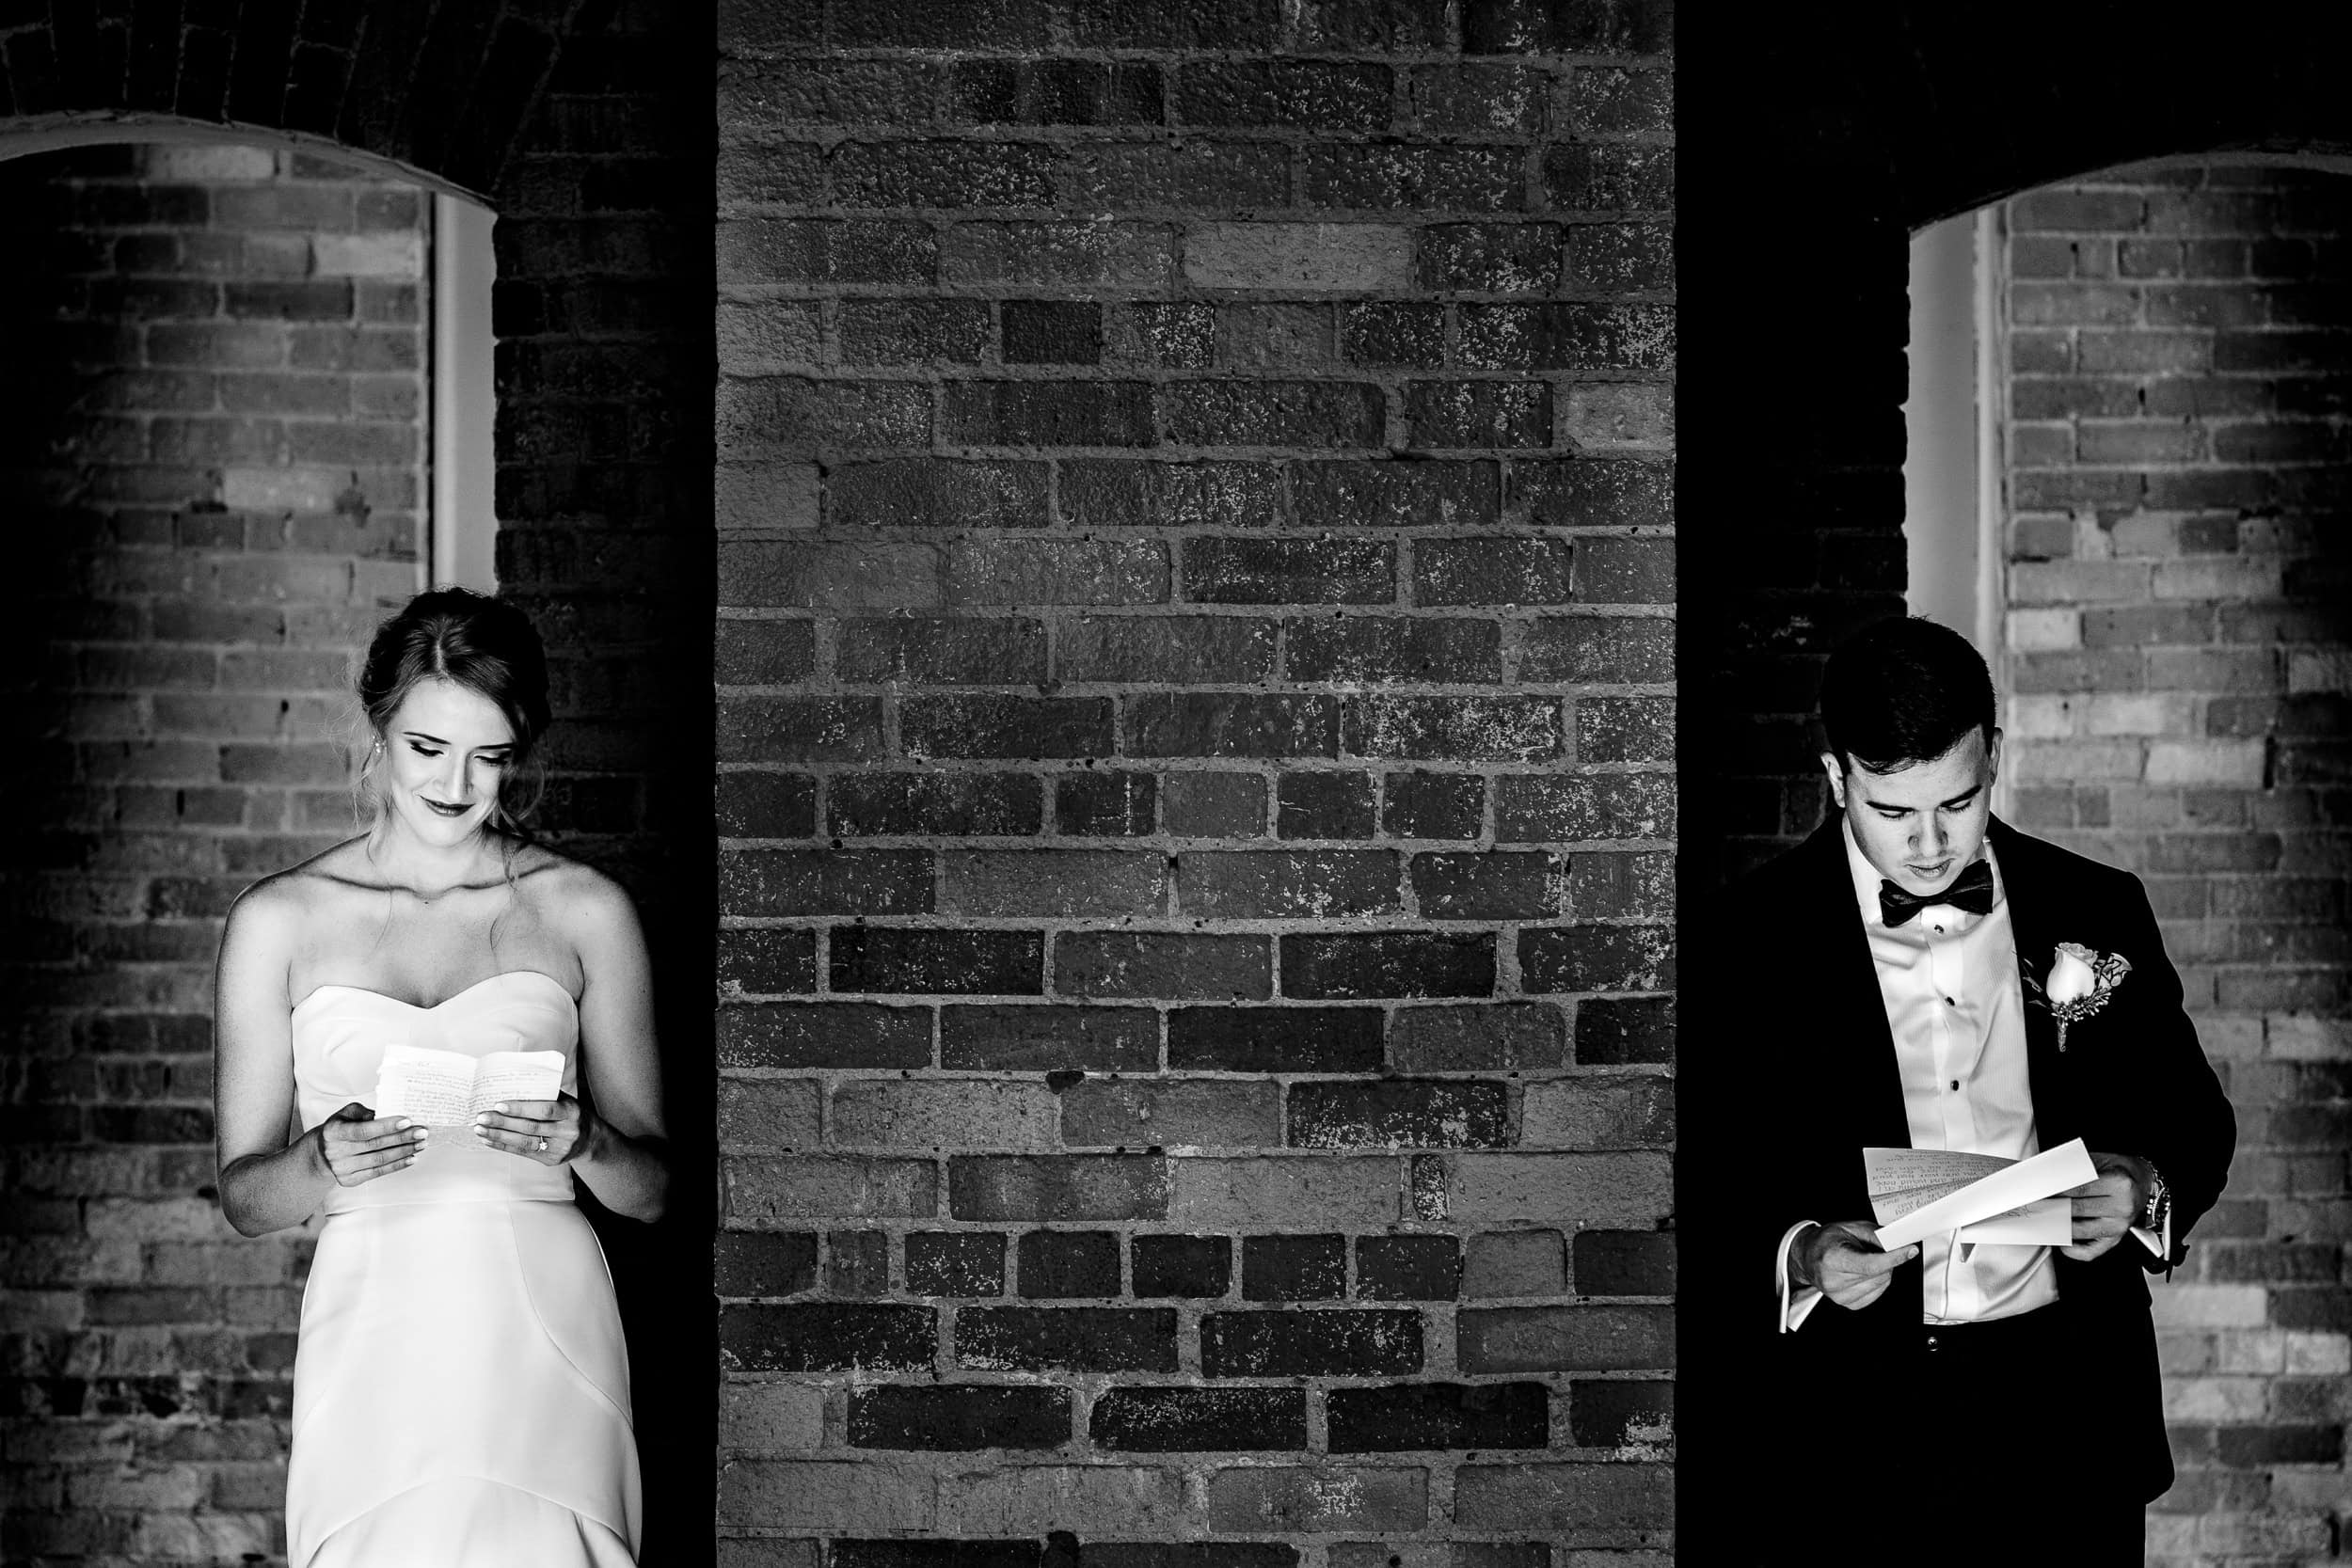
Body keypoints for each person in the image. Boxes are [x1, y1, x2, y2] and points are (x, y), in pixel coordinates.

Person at [1733, 615, 2233, 1564]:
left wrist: (2143, 1184)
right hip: (1851, 1443)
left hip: (2072, 1426)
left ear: (1993, 754)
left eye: (1956, 803)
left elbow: (2192, 1116)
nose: (1928, 844)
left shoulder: (2097, 904)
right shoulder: (1749, 938)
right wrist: (1802, 1255)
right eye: (1891, 812)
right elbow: (1714, 1172)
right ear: (1836, 774)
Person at [213, 588, 669, 1566]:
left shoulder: (585, 910)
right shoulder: (280, 919)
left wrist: (585, 1140)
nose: (457, 783)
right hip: (372, 1312)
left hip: (538, 1317)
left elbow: (656, 1191)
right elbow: (246, 1198)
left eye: (488, 754)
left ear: (520, 752)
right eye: (428, 748)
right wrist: (320, 1157)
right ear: (377, 729)